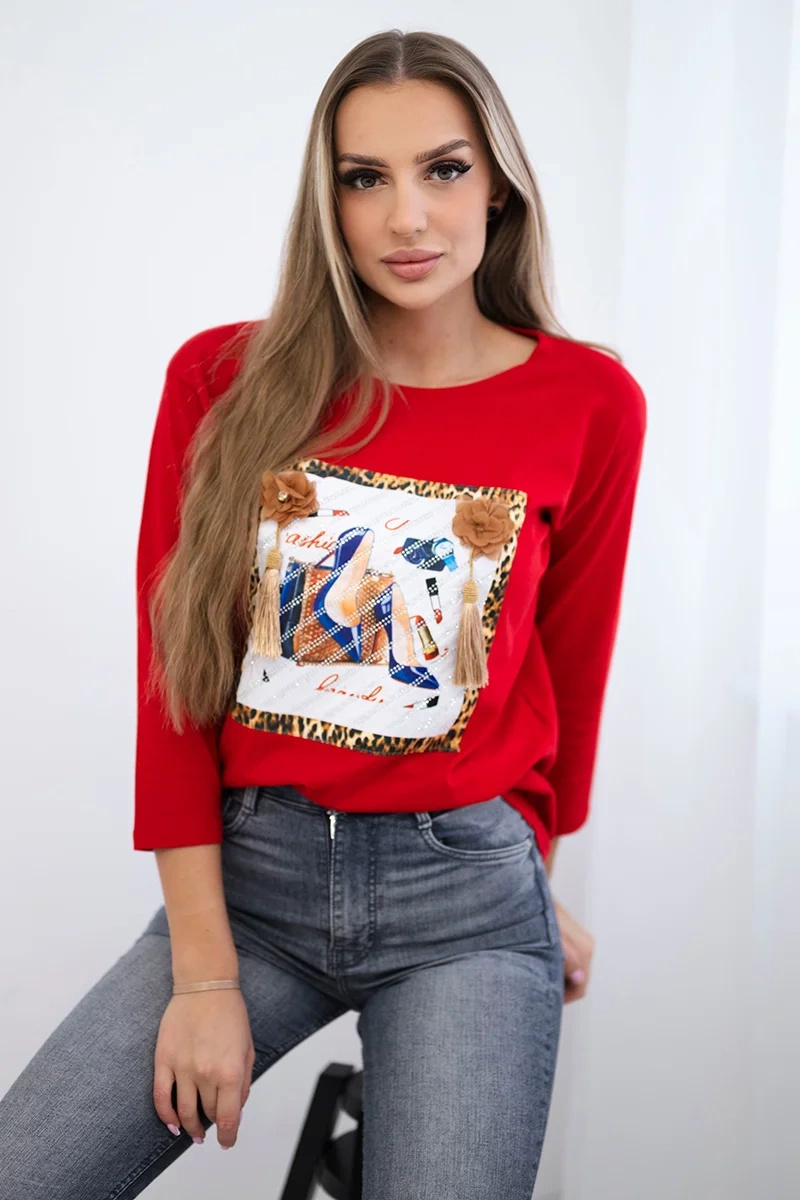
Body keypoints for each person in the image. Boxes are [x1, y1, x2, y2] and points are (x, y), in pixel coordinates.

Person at [0, 26, 646, 1199]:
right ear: (327, 200)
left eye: (442, 170)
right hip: (253, 887)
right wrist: (204, 978)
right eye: (364, 178)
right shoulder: (223, 382)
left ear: (497, 186)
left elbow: (568, 673)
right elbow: (173, 684)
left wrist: (527, 874)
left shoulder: (587, 400)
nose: (407, 216)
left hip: (469, 899)